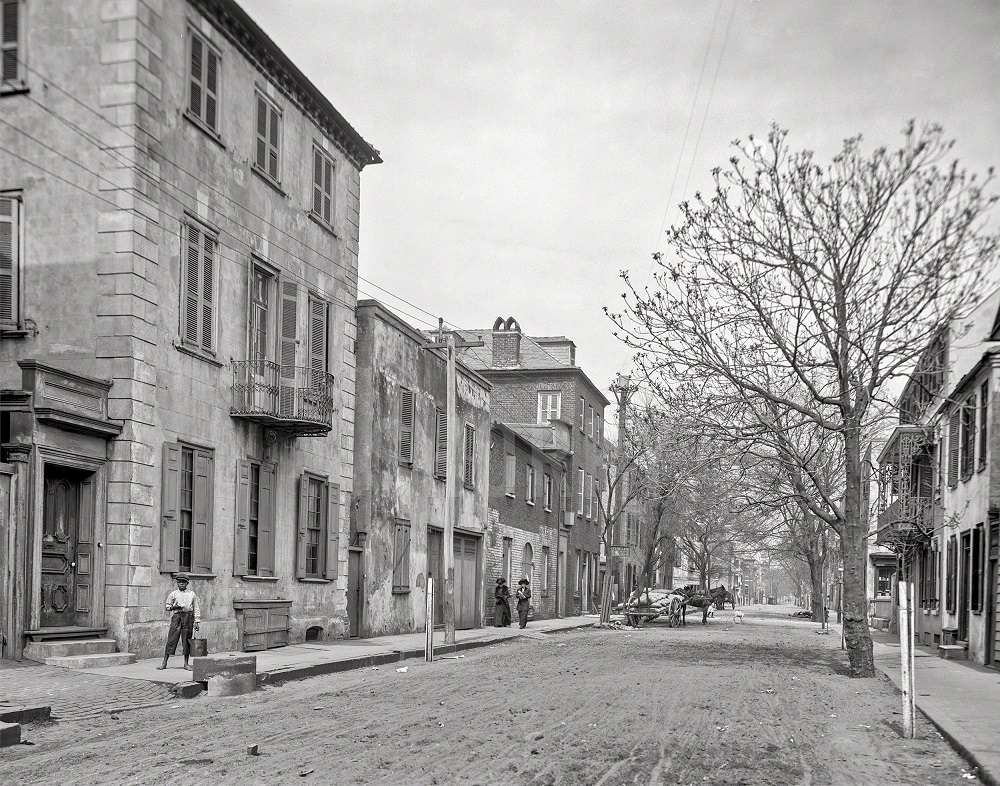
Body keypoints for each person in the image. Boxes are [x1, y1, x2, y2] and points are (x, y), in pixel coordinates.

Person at [156, 572, 201, 670]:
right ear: (177, 583)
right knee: (171, 639)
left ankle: (186, 664)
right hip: (177, 617)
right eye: (179, 582)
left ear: (187, 583)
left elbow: (196, 607)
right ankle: (164, 663)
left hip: (188, 618)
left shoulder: (191, 594)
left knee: (186, 641)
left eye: (183, 582)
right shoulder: (173, 594)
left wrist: (197, 621)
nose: (181, 584)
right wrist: (174, 607)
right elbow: (167, 607)